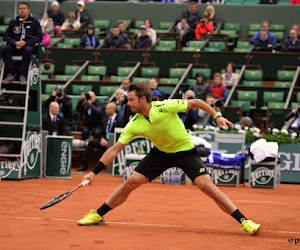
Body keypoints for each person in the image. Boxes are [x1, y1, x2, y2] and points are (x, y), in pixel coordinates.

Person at [77, 82, 261, 237]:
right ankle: (98, 215)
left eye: (131, 99)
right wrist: (93, 173)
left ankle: (244, 221)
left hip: (185, 152)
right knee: (130, 182)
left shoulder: (164, 106)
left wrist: (217, 116)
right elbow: (115, 148)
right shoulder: (134, 123)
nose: (128, 103)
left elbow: (195, 102)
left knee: (208, 187)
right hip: (160, 154)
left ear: (143, 99)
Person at [2, 2, 43, 85]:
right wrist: (15, 42)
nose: (22, 10)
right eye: (20, 8)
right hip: (15, 46)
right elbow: (6, 36)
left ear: (28, 10)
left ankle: (23, 74)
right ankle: (11, 73)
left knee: (28, 50)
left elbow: (39, 38)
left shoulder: (34, 22)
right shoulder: (13, 21)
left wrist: (25, 43)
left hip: (28, 47)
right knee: (4, 49)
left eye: (24, 8)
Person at [77, 102, 125, 171]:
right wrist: (102, 139)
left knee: (109, 149)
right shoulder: (105, 120)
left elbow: (120, 136)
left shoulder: (120, 121)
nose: (105, 110)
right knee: (91, 142)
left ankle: (108, 168)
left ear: (113, 109)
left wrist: (110, 142)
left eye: (107, 109)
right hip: (104, 140)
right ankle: (84, 164)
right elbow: (102, 132)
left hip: (113, 143)